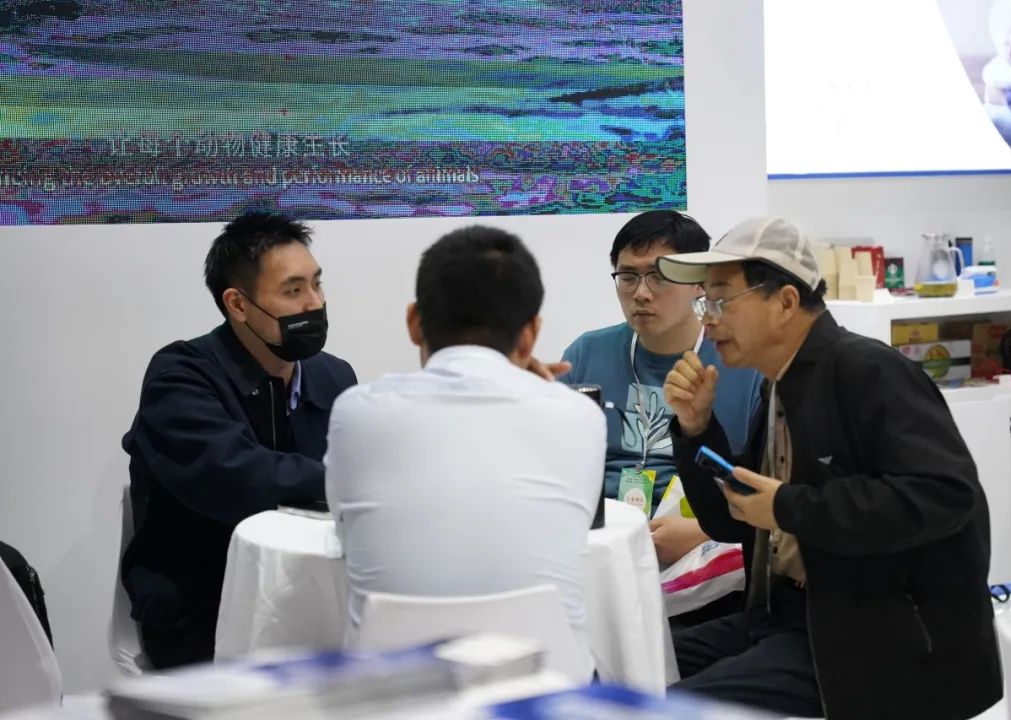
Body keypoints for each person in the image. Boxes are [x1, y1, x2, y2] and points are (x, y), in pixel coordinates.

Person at [657, 217, 1002, 719]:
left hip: (873, 637)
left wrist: (789, 507)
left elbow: (946, 494)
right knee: (630, 665)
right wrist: (697, 429)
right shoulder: (777, 385)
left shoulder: (867, 371)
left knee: (665, 709)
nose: (707, 321)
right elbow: (730, 523)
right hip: (787, 615)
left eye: (722, 300)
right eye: (704, 303)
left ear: (786, 302)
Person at [325, 225, 605, 677]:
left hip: (385, 694)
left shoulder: (355, 413)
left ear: (414, 321)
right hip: (551, 691)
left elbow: (346, 532)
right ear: (531, 333)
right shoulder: (581, 417)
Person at [121, 211, 357, 669]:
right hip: (201, 606)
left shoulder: (333, 376)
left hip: (311, 592)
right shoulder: (181, 376)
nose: (314, 303)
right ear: (238, 304)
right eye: (293, 291)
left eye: (317, 284)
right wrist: (352, 480)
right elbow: (239, 478)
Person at [561, 211, 759, 571]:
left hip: (708, 546)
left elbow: (772, 487)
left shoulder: (744, 363)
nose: (641, 293)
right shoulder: (586, 354)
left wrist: (704, 530)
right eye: (628, 277)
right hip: (602, 545)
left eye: (659, 276)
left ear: (700, 282)